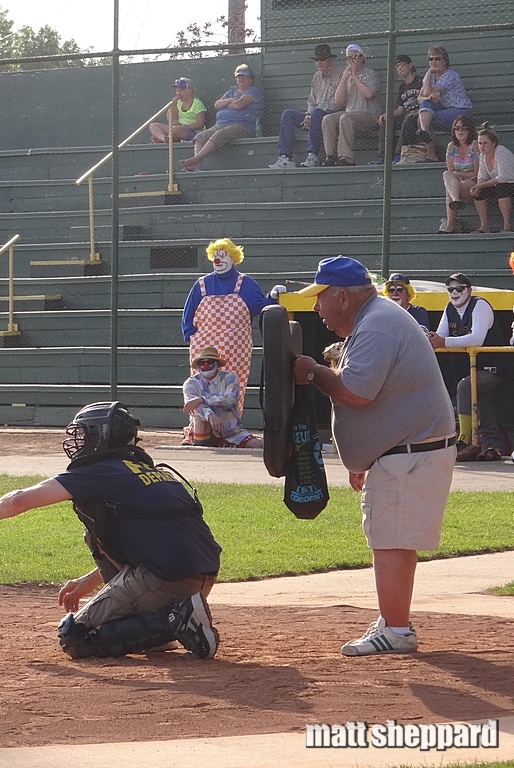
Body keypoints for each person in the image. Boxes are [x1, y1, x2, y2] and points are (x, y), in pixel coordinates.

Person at [292, 256, 455, 656]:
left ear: (343, 297)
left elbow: (357, 393)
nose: (317, 308)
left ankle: (396, 630)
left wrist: (312, 371)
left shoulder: (378, 323)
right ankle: (392, 621)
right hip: (406, 451)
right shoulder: (377, 318)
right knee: (394, 539)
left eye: (321, 298)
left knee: (391, 541)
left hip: (410, 452)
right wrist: (365, 457)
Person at [0, 401, 222, 660]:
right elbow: (150, 542)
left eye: (83, 434)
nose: (78, 442)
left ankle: (177, 621)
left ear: (100, 436)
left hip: (170, 580)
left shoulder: (101, 471)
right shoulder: (146, 470)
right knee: (95, 530)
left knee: (75, 636)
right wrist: (85, 582)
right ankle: (163, 628)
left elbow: (19, 500)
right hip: (197, 575)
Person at [182, 238, 283, 417]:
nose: (218, 260)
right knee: (201, 384)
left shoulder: (245, 284)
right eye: (215, 255)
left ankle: (231, 426)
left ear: (233, 258)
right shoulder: (201, 284)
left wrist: (273, 296)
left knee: (233, 383)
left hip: (235, 347)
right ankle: (199, 427)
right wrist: (191, 335)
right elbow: (188, 314)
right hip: (204, 345)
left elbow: (260, 308)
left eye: (223, 255)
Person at [427, 272, 507, 462]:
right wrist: (431, 339)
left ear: (469, 291)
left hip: (494, 367)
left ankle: (464, 441)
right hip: (471, 368)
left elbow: (476, 338)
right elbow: (440, 335)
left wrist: (442, 341)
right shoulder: (449, 308)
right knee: (480, 395)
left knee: (466, 386)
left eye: (459, 289)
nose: (454, 293)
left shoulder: (480, 305)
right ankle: (491, 446)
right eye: (450, 289)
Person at [268, 43, 343, 169]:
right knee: (288, 114)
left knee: (318, 113)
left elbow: (340, 102)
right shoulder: (316, 77)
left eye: (323, 59)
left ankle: (313, 156)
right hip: (314, 116)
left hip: (331, 116)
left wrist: (314, 114)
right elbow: (312, 101)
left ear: (330, 59)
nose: (319, 62)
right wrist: (308, 115)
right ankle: (286, 158)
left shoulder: (340, 74)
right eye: (317, 60)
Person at [180, 64, 263, 172]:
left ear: (251, 79)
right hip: (220, 124)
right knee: (200, 136)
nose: (240, 79)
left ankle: (196, 159)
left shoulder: (253, 92)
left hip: (243, 127)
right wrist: (230, 100)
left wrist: (228, 102)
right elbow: (217, 104)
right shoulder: (232, 91)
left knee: (220, 134)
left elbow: (239, 105)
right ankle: (198, 166)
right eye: (238, 77)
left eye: (244, 76)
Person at [401, 46, 473, 162]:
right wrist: (429, 77)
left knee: (424, 116)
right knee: (424, 113)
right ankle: (426, 140)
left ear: (445, 61)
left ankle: (429, 148)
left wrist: (427, 95)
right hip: (443, 109)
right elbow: (421, 96)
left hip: (460, 110)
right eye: (431, 59)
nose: (433, 61)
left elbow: (428, 92)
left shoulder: (451, 75)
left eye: (437, 59)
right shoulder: (430, 76)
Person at [183, 346, 262, 448]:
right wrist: (210, 415)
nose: (206, 365)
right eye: (202, 363)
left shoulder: (230, 378)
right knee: (200, 419)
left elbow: (229, 400)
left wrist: (202, 399)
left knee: (258, 445)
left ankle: (223, 442)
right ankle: (201, 447)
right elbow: (192, 406)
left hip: (230, 430)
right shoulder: (190, 383)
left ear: (216, 363)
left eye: (209, 362)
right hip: (202, 427)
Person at [321, 44, 381, 167]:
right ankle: (331, 155)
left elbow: (369, 94)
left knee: (345, 118)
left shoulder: (370, 74)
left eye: (354, 57)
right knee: (328, 119)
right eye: (348, 58)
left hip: (368, 115)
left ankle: (346, 158)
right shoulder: (346, 77)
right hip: (350, 113)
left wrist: (355, 76)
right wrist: (344, 78)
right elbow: (338, 101)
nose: (351, 61)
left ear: (362, 58)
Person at [370, 54, 420, 165]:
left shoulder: (420, 81)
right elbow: (400, 109)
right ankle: (382, 157)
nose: (400, 68)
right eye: (397, 67)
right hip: (405, 115)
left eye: (402, 65)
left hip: (417, 116)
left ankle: (398, 155)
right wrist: (387, 114)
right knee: (386, 121)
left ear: (410, 65)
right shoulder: (402, 86)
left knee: (408, 120)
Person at [470, 123, 514, 233]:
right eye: (480, 143)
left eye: (485, 143)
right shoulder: (482, 155)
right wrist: (478, 187)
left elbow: (504, 177)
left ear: (493, 143)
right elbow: (482, 175)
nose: (482, 146)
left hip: (510, 183)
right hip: (500, 184)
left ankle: (507, 226)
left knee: (501, 188)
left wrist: (481, 185)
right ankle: (484, 226)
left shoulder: (500, 151)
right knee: (479, 192)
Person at [437, 117, 478, 234]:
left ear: (470, 130)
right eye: (457, 128)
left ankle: (450, 225)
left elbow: (476, 172)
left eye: (464, 128)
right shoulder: (451, 146)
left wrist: (458, 174)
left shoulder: (474, 145)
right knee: (446, 174)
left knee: (450, 189)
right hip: (458, 182)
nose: (460, 131)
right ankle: (456, 200)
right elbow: (450, 170)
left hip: (473, 182)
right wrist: (458, 175)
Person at [149, 77, 207, 144]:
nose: (178, 93)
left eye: (181, 91)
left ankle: (168, 138)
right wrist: (173, 105)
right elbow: (170, 120)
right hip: (176, 129)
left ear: (189, 90)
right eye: (177, 91)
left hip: (193, 133)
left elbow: (200, 124)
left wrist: (182, 126)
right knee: (153, 126)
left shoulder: (198, 104)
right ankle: (165, 139)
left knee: (176, 130)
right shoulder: (179, 103)